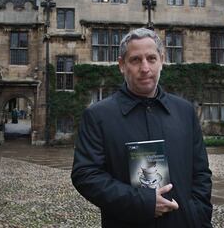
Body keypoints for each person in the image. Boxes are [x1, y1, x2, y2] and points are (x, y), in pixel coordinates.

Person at [71, 28, 212, 227]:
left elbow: (201, 173)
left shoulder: (185, 111)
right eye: (136, 60)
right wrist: (142, 202)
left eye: (151, 58)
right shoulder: (98, 116)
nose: (145, 68)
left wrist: (198, 215)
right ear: (122, 65)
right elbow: (86, 175)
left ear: (162, 60)